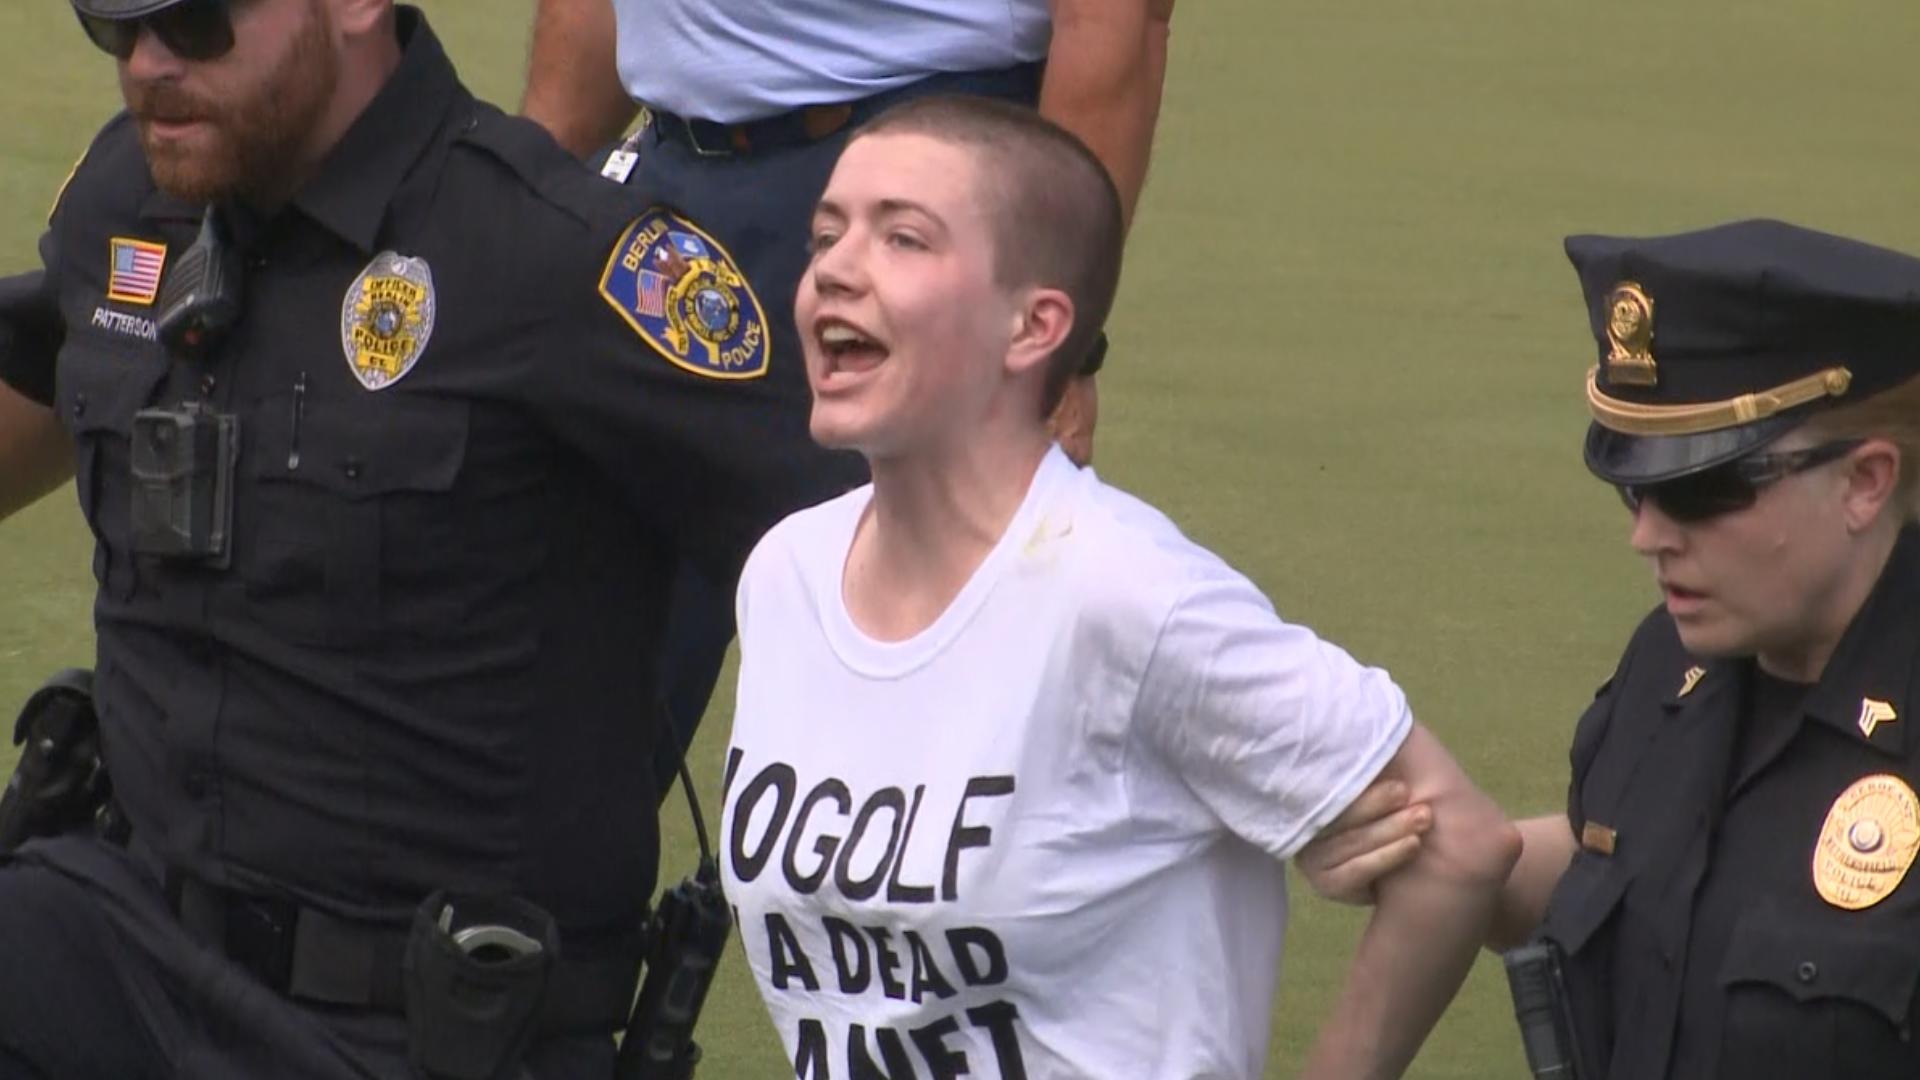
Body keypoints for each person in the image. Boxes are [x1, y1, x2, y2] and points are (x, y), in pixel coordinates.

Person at [0, 1, 843, 1076]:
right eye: (113, 26)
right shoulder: (134, 199)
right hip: (118, 946)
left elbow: (874, 564)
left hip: (419, 1027)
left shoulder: (560, 261)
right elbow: (42, 370)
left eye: (198, 20)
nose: (150, 64)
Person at [717, 94, 1520, 1079]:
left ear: (1034, 326)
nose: (833, 270)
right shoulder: (786, 575)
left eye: (904, 239)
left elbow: (1459, 847)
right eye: (826, 234)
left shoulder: (1126, 596)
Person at [1304, 219, 1920, 1079]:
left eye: (1702, 487)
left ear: (1865, 481)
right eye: (1635, 485)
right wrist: (1443, 849)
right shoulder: (1673, 665)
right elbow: (1644, 876)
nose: (1649, 535)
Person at [521, 0, 1175, 776]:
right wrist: (529, 188)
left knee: (917, 684)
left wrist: (1059, 347)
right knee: (574, 652)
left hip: (923, 181)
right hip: (663, 178)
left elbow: (1115, 20)